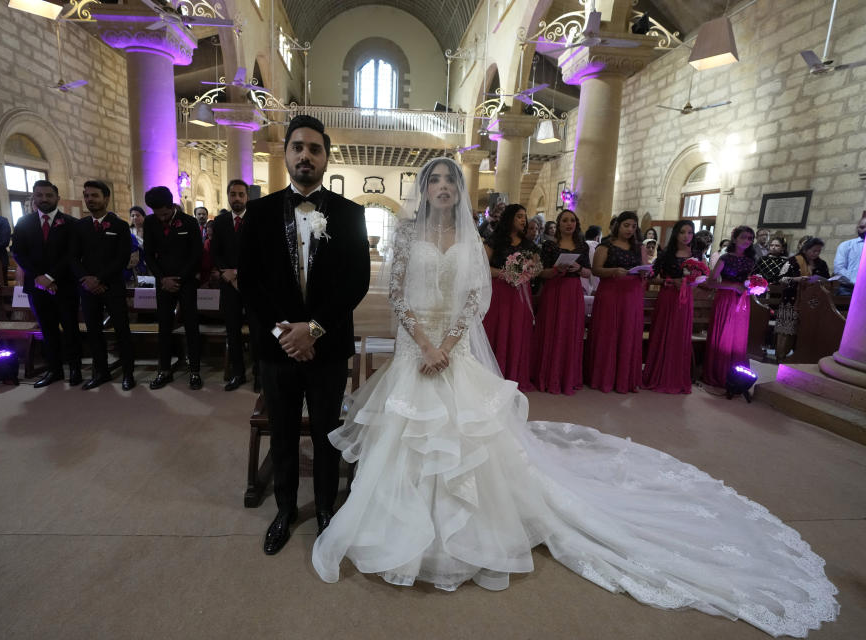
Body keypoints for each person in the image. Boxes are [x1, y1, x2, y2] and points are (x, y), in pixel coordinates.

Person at [310, 159, 838, 639]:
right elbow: (397, 293)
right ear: (424, 191)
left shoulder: (473, 240)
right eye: (435, 181)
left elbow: (477, 296)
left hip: (453, 350)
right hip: (415, 351)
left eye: (451, 181)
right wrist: (423, 344)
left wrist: (447, 345)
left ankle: (467, 537)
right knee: (410, 438)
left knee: (467, 442)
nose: (443, 188)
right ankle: (400, 533)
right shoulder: (407, 235)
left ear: (460, 191)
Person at [238, 115, 370, 556]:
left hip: (327, 346)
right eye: (298, 147)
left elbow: (357, 281)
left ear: (326, 157)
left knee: (328, 431)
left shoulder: (351, 214)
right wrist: (285, 332)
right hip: (277, 348)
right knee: (283, 432)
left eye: (314, 149)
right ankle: (285, 509)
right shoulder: (257, 213)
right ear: (286, 154)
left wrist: (311, 330)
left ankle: (328, 509)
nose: (305, 156)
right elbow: (251, 282)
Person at [11, 180, 82, 388]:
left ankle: (75, 368)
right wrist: (39, 277)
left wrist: (51, 277)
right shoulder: (24, 223)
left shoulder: (70, 223)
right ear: (34, 197)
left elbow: (72, 255)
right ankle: (54, 370)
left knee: (70, 329)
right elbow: (18, 252)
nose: (44, 199)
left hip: (64, 285)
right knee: (48, 330)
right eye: (39, 195)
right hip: (36, 286)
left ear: (57, 198)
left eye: (48, 195)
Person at [70, 180, 135, 391]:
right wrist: (86, 279)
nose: (90, 200)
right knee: (94, 332)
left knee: (122, 331)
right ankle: (101, 372)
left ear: (105, 198)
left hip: (112, 286)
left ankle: (128, 373)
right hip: (87, 288)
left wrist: (100, 279)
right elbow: (72, 257)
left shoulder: (120, 226)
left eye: (95, 196)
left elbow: (122, 257)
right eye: (87, 196)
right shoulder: (79, 226)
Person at [142, 186, 204, 391]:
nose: (161, 218)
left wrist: (179, 278)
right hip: (163, 283)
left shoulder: (189, 222)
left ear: (172, 206)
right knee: (164, 327)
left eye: (165, 214)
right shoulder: (150, 223)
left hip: (185, 282)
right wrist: (162, 278)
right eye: (157, 214)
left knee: (191, 327)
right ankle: (164, 370)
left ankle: (195, 370)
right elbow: (149, 255)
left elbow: (196, 254)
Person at [585, 210, 647, 393]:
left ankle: (625, 379)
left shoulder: (639, 247)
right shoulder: (606, 246)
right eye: (626, 225)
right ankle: (603, 377)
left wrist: (644, 272)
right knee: (608, 332)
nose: (630, 229)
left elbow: (645, 270)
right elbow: (596, 270)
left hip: (632, 294)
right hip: (611, 292)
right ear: (618, 225)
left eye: (633, 227)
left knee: (629, 333)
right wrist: (613, 271)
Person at [530, 209, 590, 394]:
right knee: (551, 331)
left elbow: (589, 272)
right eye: (564, 220)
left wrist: (579, 268)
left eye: (572, 220)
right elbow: (541, 272)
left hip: (573, 291)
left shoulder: (583, 246)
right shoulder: (550, 245)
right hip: (554, 290)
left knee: (570, 332)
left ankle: (567, 377)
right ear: (558, 223)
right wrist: (556, 269)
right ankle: (548, 376)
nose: (569, 223)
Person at [210, 179, 259, 392]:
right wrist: (226, 273)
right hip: (229, 285)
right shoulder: (220, 222)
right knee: (233, 330)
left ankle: (259, 374)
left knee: (258, 330)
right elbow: (215, 252)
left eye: (241, 194)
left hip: (253, 283)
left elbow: (261, 253)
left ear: (247, 196)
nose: (237, 198)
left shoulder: (257, 220)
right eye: (233, 194)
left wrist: (239, 273)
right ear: (228, 197)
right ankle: (237, 373)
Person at [483, 203, 537, 391]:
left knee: (517, 331)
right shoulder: (495, 240)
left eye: (524, 216)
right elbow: (482, 267)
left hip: (521, 293)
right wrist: (504, 273)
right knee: (498, 329)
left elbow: (537, 268)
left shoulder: (528, 244)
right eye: (519, 216)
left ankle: (513, 374)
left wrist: (529, 270)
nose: (523, 220)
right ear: (509, 218)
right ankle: (492, 374)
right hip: (500, 291)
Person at [642, 220, 696, 394]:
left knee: (680, 336)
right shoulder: (666, 254)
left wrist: (694, 281)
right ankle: (658, 375)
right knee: (664, 333)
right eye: (682, 232)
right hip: (668, 297)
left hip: (686, 299)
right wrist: (671, 281)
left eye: (690, 232)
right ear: (676, 234)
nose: (686, 236)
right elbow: (651, 277)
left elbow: (703, 278)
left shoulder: (696, 254)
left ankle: (676, 377)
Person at [701, 226, 757, 387]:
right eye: (744, 237)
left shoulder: (750, 260)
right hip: (726, 298)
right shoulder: (725, 258)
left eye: (750, 238)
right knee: (724, 336)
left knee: (738, 337)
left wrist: (755, 286)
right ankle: (718, 372)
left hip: (742, 300)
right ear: (735, 239)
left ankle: (735, 375)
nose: (747, 241)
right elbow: (711, 282)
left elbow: (749, 280)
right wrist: (733, 286)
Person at [774, 237, 830, 361]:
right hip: (791, 300)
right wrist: (796, 279)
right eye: (814, 250)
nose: (816, 253)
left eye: (819, 251)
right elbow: (781, 279)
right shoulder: (792, 261)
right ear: (805, 249)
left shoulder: (821, 264)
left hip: (811, 303)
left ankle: (800, 357)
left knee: (805, 330)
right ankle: (781, 356)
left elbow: (827, 280)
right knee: (786, 330)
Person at [833, 213, 865, 295]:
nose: (865, 230)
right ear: (857, 228)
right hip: (848, 289)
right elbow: (839, 269)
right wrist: (856, 282)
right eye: (862, 227)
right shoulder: (846, 245)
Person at [581, 224, 601, 295]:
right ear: (597, 237)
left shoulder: (581, 245)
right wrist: (595, 288)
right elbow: (594, 268)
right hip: (589, 285)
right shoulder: (594, 246)